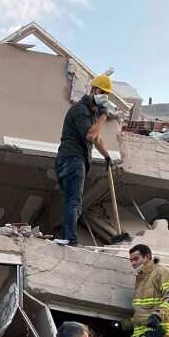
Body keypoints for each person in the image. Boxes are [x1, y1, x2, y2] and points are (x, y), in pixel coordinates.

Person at [54, 75, 116, 246]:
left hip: (71, 159)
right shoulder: (80, 109)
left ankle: (66, 237)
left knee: (73, 201)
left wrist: (107, 156)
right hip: (72, 159)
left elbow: (97, 139)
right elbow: (90, 135)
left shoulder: (91, 112)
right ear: (93, 90)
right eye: (102, 92)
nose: (104, 96)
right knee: (74, 201)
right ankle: (69, 239)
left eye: (107, 94)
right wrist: (104, 115)